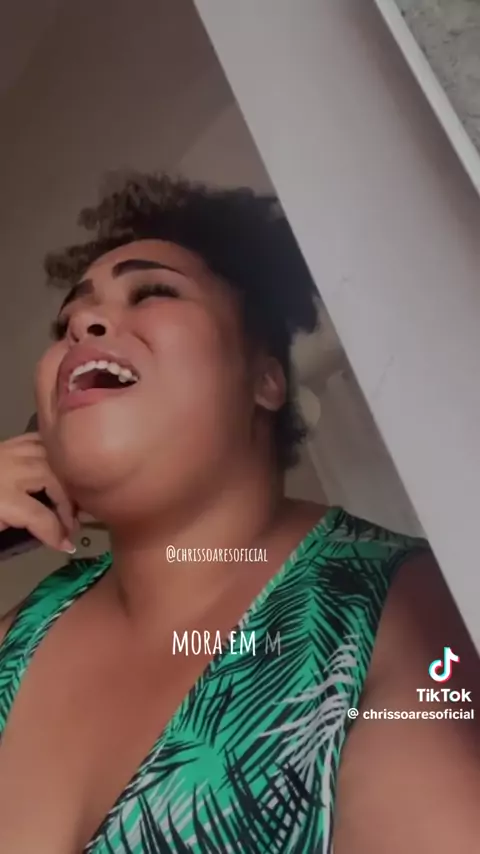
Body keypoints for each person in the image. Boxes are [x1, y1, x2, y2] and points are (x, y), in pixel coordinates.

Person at [0, 173, 478, 854]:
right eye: (67, 321)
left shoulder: (410, 609)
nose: (81, 324)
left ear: (266, 379)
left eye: (153, 292)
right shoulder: (27, 628)